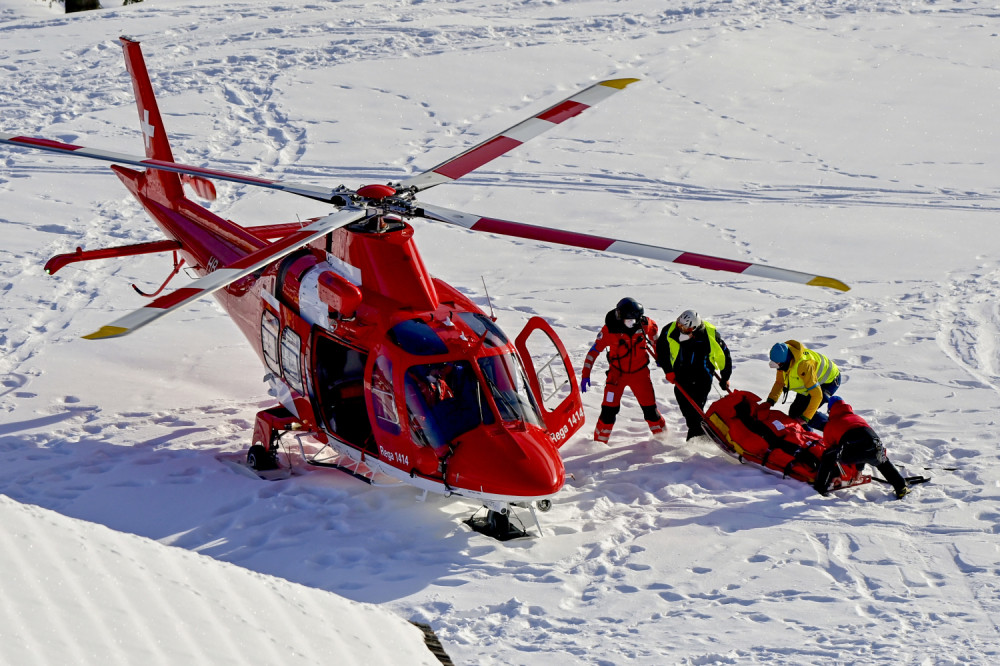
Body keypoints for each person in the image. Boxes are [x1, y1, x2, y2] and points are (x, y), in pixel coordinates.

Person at [580, 297, 666, 443]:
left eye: (626, 319)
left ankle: (663, 440)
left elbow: (656, 340)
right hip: (616, 376)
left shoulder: (646, 325)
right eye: (620, 315)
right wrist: (585, 375)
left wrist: (660, 356)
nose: (621, 319)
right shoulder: (609, 329)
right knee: (608, 412)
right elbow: (593, 352)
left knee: (650, 412)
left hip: (640, 375)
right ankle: (598, 444)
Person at [655, 310, 733, 440]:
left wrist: (725, 377)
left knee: (696, 409)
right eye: (679, 325)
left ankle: (697, 439)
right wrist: (668, 370)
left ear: (694, 328)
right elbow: (662, 350)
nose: (680, 328)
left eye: (684, 328)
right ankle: (700, 434)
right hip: (680, 375)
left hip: (702, 376)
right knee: (686, 407)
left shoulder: (710, 335)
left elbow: (724, 355)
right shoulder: (670, 329)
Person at [814, 396, 909, 498]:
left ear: (830, 410)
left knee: (828, 456)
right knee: (882, 461)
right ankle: (901, 487)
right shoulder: (858, 418)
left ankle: (820, 488)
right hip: (872, 445)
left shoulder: (831, 424)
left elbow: (829, 447)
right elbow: (864, 444)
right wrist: (859, 469)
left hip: (850, 449)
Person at [766, 340, 840, 431]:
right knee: (794, 413)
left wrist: (805, 418)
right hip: (810, 381)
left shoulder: (803, 366)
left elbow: (817, 395)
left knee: (806, 415)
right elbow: (780, 383)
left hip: (829, 381)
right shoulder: (783, 362)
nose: (777, 368)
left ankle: (837, 431)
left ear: (786, 361)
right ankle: (806, 438)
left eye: (778, 365)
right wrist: (769, 401)